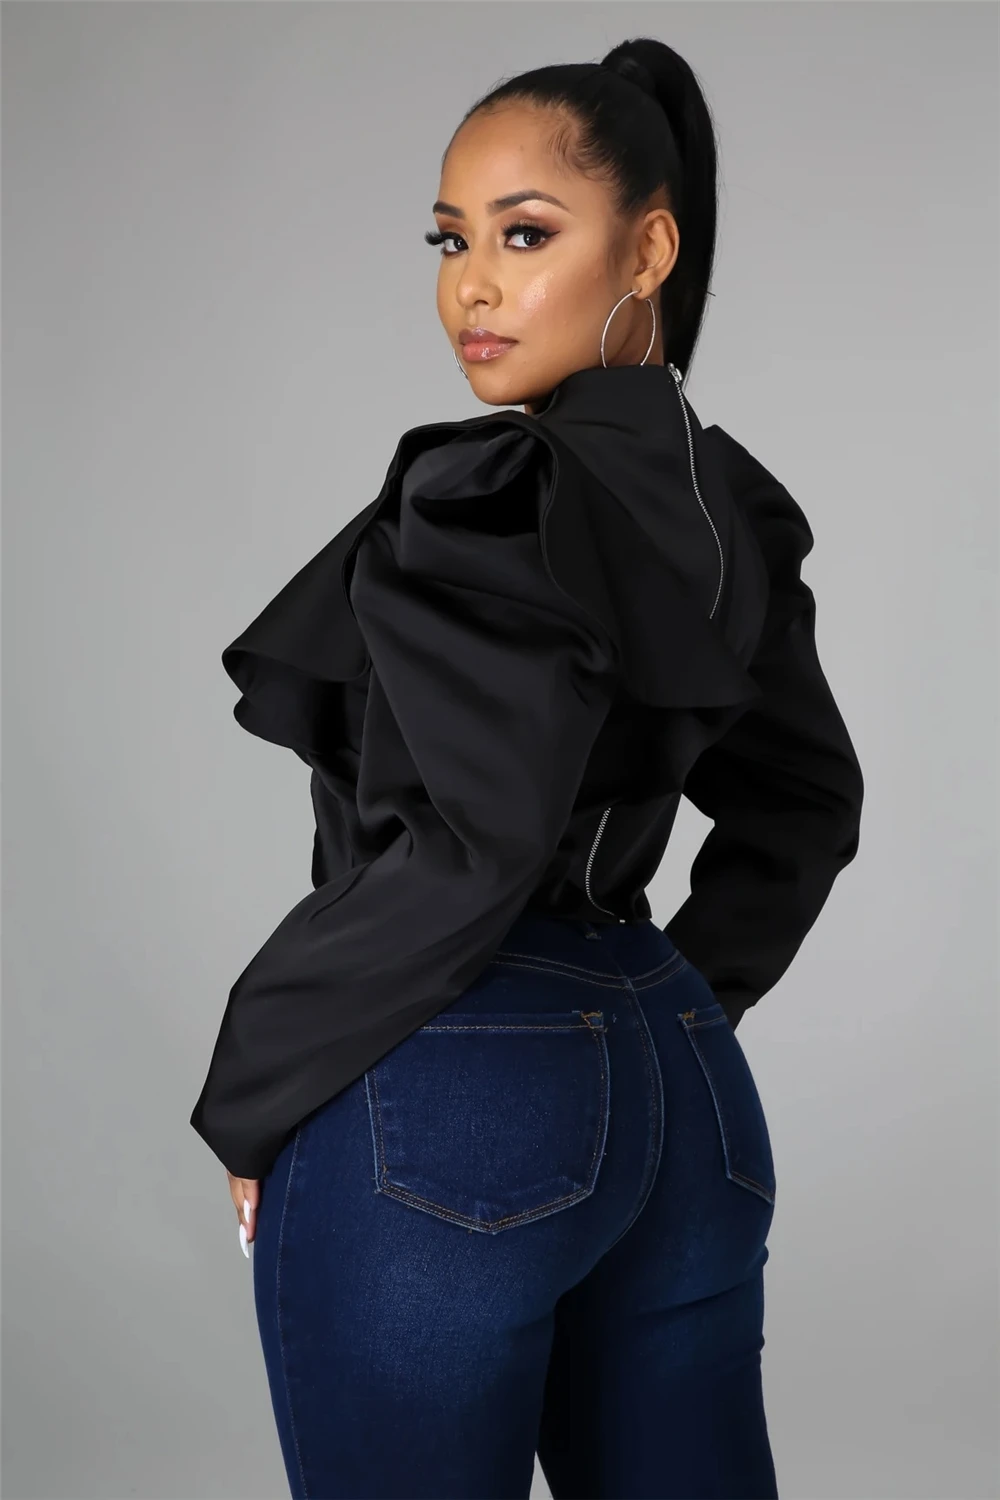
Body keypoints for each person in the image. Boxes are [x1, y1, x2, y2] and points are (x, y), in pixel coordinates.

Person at [190, 35, 864, 1500]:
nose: (473, 288)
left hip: (454, 1082)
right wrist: (680, 1008)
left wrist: (254, 1082)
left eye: (526, 234)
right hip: (682, 1089)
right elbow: (807, 804)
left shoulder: (492, 491)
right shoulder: (730, 501)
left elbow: (473, 843)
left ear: (650, 250)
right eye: (452, 241)